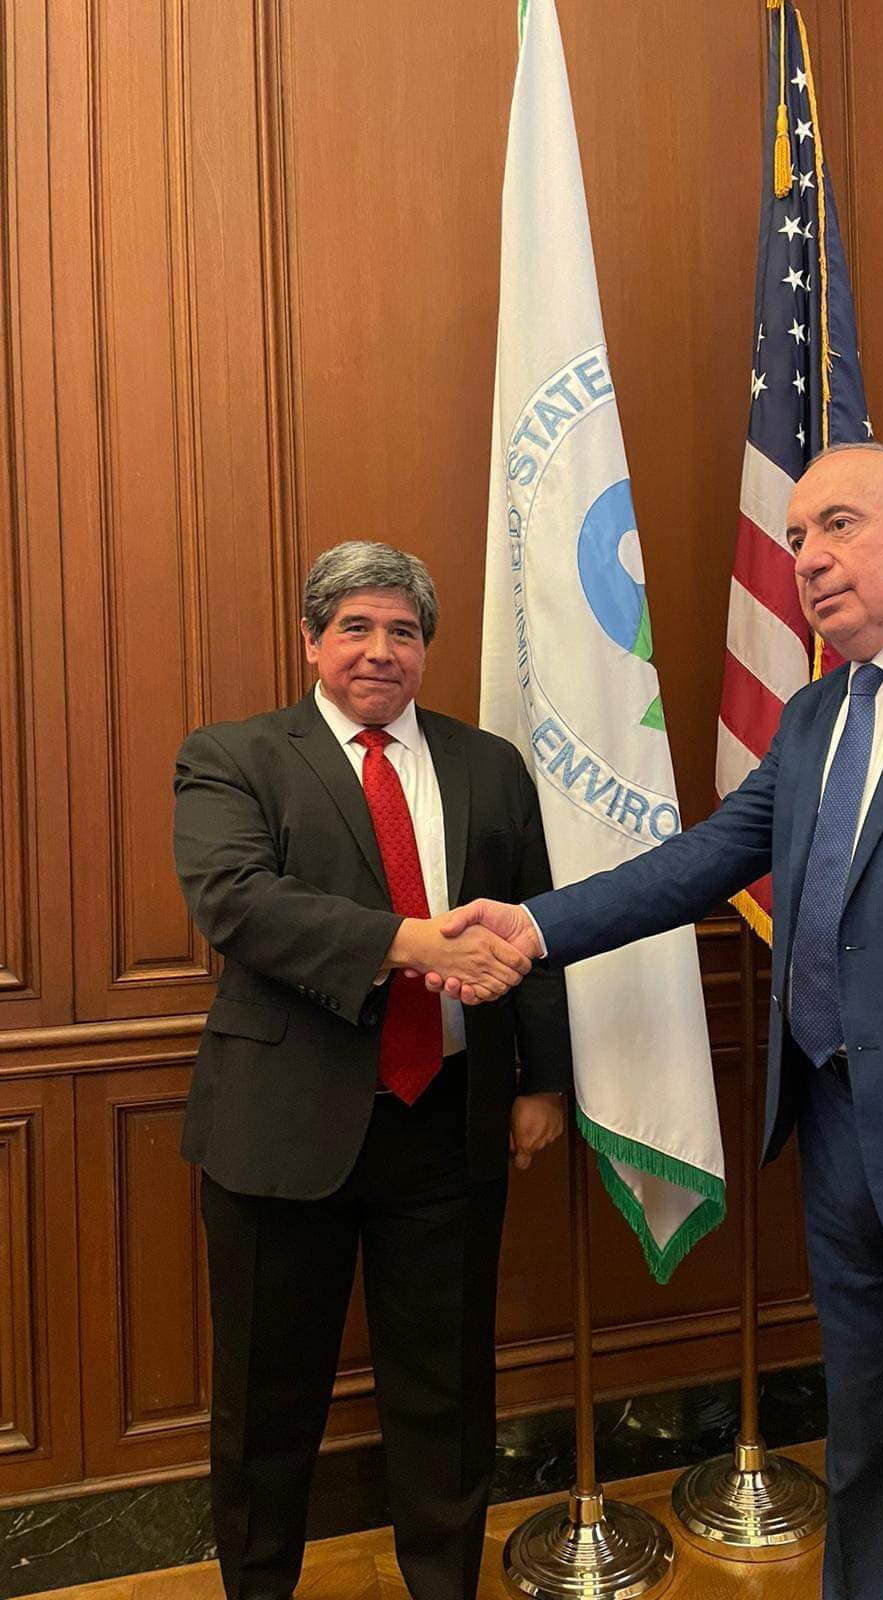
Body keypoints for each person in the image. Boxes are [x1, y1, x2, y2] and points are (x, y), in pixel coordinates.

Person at [434, 444, 883, 1600]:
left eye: (839, 524)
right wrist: (531, 925)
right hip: (837, 1143)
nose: (809, 559)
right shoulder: (820, 713)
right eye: (793, 539)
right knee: (864, 1454)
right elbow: (704, 859)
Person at [173, 542, 571, 1600]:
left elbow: (531, 925)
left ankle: (444, 1584)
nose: (380, 650)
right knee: (266, 1403)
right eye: (355, 627)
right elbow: (236, 903)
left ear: (426, 648)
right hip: (280, 1128)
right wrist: (409, 943)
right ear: (311, 640)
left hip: (447, 1123)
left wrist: (543, 1080)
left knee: (448, 1394)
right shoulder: (233, 756)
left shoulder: (490, 765)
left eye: (402, 630)